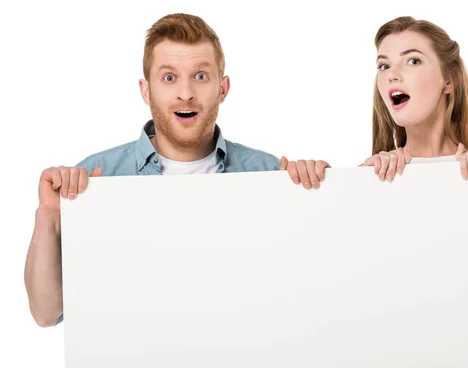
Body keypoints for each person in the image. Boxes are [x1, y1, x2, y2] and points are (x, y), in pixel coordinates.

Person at [24, 13, 299, 327]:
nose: (185, 93)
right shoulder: (95, 179)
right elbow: (46, 314)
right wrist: (49, 214)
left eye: (201, 76)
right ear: (145, 90)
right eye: (169, 77)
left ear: (223, 89)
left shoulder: (269, 175)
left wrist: (322, 193)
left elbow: (298, 297)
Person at [284, 16, 468, 187]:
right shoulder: (367, 176)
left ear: (450, 79)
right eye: (384, 66)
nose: (392, 75)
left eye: (413, 61)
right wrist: (307, 180)